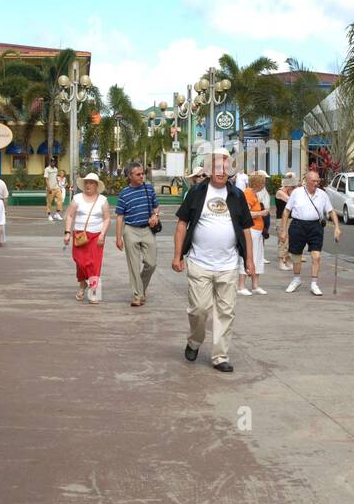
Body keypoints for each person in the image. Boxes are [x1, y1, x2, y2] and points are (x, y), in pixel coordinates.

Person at [172, 150, 254, 373]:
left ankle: (220, 356)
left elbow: (246, 229)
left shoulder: (237, 195)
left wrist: (249, 259)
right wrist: (177, 255)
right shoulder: (196, 193)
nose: (221, 172)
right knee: (199, 309)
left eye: (226, 168)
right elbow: (181, 225)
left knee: (226, 312)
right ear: (209, 170)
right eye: (217, 167)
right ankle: (194, 341)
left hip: (228, 265)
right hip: (199, 262)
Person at [283, 169, 341, 296]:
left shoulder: (322, 194)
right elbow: (286, 211)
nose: (316, 183)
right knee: (296, 255)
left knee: (317, 256)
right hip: (298, 225)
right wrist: (283, 230)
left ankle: (314, 283)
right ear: (307, 181)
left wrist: (337, 227)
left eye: (318, 181)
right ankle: (296, 279)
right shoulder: (297, 193)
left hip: (315, 226)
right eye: (314, 181)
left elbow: (331, 211)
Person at [114, 161, 161, 307]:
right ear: (130, 176)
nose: (142, 176)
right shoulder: (124, 194)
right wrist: (118, 237)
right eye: (138, 174)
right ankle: (137, 295)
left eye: (143, 173)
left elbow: (156, 206)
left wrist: (155, 216)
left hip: (147, 229)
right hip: (130, 230)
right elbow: (120, 216)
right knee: (133, 265)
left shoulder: (149, 188)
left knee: (151, 263)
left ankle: (141, 288)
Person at [64, 172, 111, 303]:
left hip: (96, 236)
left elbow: (107, 219)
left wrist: (102, 234)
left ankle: (94, 291)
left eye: (91, 183)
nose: (88, 185)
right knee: (80, 262)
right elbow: (70, 216)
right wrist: (67, 232)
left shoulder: (103, 200)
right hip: (79, 236)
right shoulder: (77, 198)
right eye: (86, 183)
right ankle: (83, 283)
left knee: (94, 264)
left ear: (96, 185)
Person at [237, 172, 269, 296]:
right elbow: (246, 213)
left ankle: (255, 285)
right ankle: (241, 285)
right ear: (258, 183)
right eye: (263, 182)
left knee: (257, 257)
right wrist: (261, 213)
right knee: (248, 256)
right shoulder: (248, 194)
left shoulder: (253, 194)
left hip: (257, 231)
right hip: (251, 230)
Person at [275, 171, 298, 270]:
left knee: (290, 241)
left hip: (289, 219)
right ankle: (281, 262)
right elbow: (291, 202)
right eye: (292, 186)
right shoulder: (280, 192)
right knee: (283, 241)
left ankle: (288, 260)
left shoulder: (288, 192)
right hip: (281, 220)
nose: (293, 188)